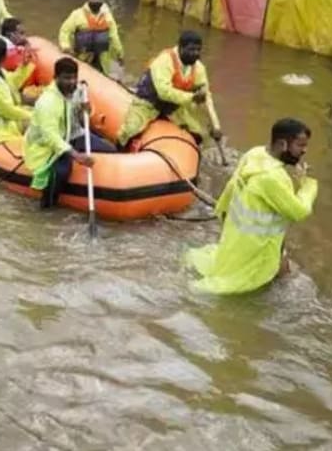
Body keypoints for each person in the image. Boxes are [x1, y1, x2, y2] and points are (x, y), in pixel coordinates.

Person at [186, 119, 318, 295]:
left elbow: (232, 186)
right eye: (300, 145)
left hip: (241, 238)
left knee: (282, 274)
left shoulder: (255, 154)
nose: (304, 151)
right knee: (265, 288)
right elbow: (298, 212)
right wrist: (308, 184)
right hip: (259, 248)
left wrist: (222, 213)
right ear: (282, 144)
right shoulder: (273, 178)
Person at [23, 58, 117, 209]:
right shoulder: (47, 103)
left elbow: (80, 119)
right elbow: (51, 137)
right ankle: (47, 206)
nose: (71, 82)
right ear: (56, 78)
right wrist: (76, 156)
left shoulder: (77, 90)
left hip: (75, 134)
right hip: (50, 146)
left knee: (111, 150)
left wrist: (84, 109)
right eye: (67, 78)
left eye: (74, 77)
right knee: (61, 172)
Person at [118, 30, 221, 148]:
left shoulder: (199, 68)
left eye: (198, 50)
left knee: (197, 135)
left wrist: (215, 125)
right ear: (181, 48)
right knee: (129, 132)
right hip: (148, 103)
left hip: (173, 107)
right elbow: (164, 92)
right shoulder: (165, 61)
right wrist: (192, 97)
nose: (195, 54)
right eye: (192, 50)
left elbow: (206, 97)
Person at [58, 0, 124, 74]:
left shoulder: (108, 17)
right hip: (82, 57)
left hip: (103, 60)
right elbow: (64, 31)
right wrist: (65, 46)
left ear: (103, 0)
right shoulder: (77, 15)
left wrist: (120, 54)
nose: (97, 1)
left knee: (110, 73)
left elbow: (114, 37)